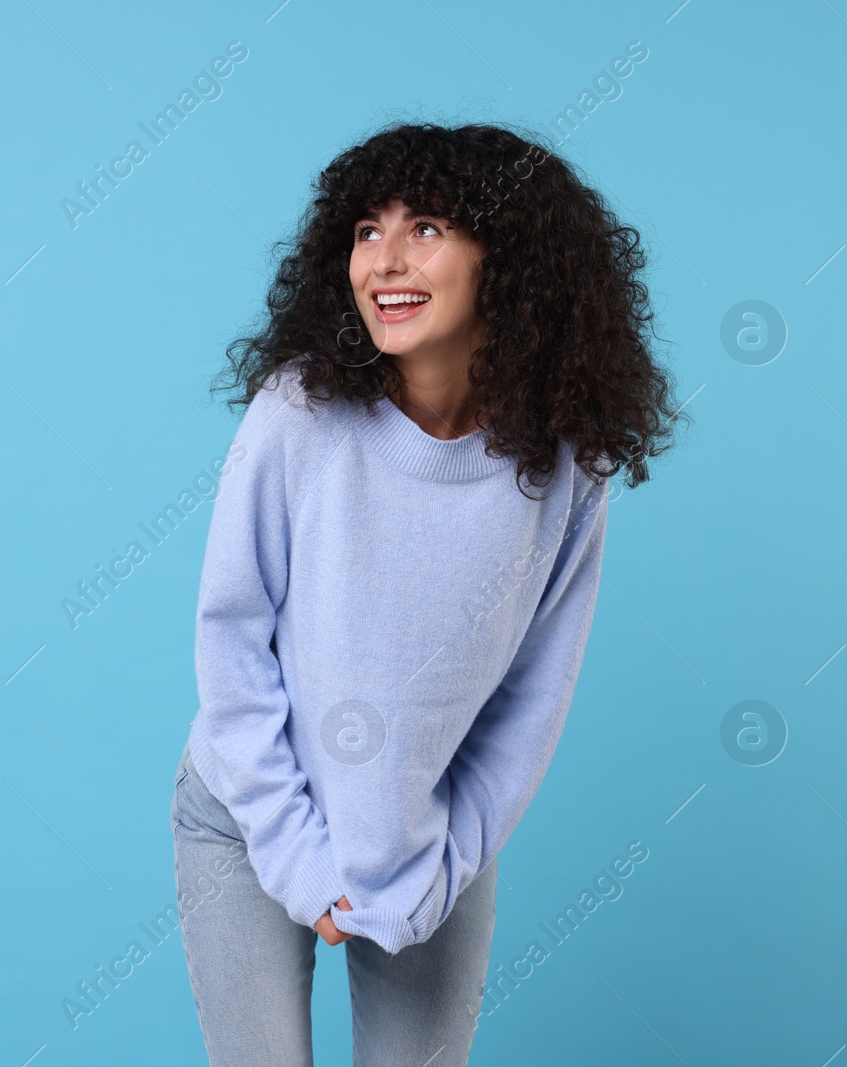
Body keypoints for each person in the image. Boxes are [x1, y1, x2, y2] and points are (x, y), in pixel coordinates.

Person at [170, 120, 685, 1066]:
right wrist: (301, 860)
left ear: (512, 260)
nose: (385, 261)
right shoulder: (298, 416)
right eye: (367, 230)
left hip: (427, 838)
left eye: (428, 229)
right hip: (249, 816)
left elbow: (534, 693)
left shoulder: (570, 459)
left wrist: (440, 869)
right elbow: (232, 647)